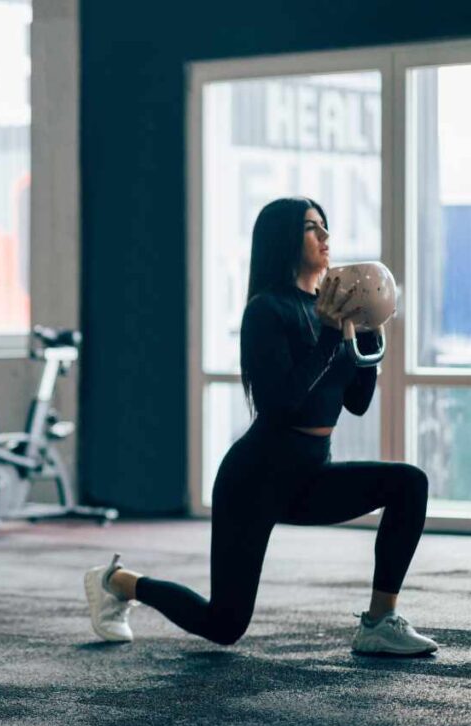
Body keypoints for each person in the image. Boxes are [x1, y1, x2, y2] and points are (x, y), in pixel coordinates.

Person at [83, 197, 438, 656]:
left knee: (408, 484)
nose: (326, 237)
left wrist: (367, 333)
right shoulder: (266, 311)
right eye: (313, 228)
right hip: (255, 481)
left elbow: (357, 403)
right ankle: (116, 582)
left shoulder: (330, 314)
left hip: (309, 476)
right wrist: (332, 336)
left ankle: (378, 622)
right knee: (225, 624)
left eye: (325, 226)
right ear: (284, 239)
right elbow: (282, 404)